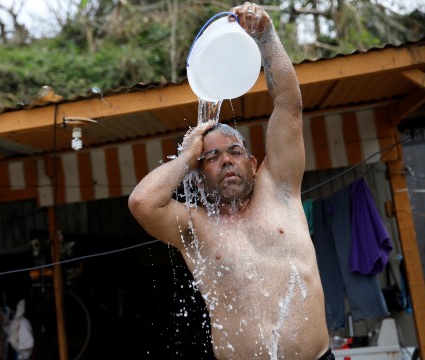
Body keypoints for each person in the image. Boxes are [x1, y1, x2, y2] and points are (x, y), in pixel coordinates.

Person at [128, 2, 332, 359]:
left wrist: (266, 36)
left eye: (234, 152)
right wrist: (186, 156)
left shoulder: (280, 188)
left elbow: (288, 104)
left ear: (253, 163)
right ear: (198, 174)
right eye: (211, 158)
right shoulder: (194, 226)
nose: (225, 160)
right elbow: (142, 203)